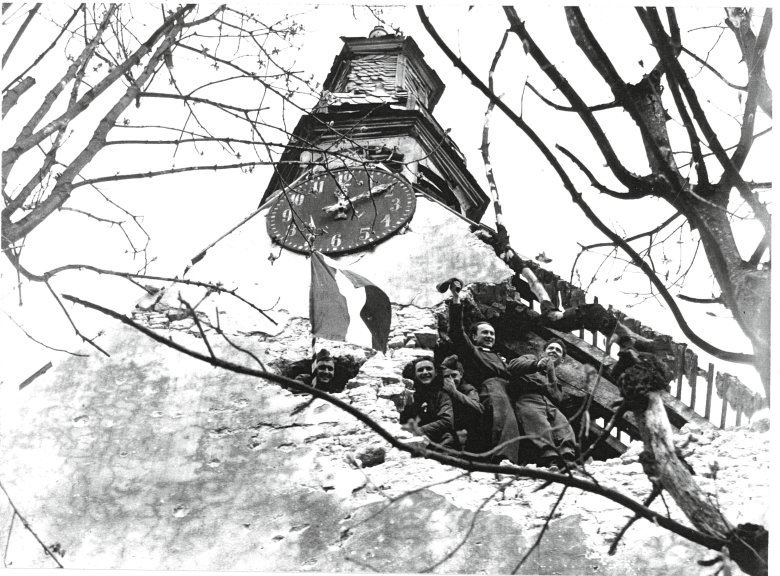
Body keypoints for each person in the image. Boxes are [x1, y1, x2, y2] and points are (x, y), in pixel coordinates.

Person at [446, 281, 521, 464]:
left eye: (492, 334)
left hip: (508, 393)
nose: (489, 336)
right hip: (492, 391)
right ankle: (502, 461)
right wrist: (456, 300)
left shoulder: (499, 357)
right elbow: (456, 332)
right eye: (485, 333)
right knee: (500, 423)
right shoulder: (473, 353)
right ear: (474, 337)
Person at [508, 338, 578, 471]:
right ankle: (550, 461)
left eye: (558, 350)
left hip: (549, 405)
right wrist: (537, 365)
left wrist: (551, 376)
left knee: (564, 426)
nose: (553, 351)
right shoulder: (530, 358)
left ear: (562, 360)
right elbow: (513, 365)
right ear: (543, 352)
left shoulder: (555, 380)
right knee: (539, 425)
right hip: (528, 398)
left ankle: (568, 460)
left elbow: (557, 398)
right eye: (551, 348)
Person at [399, 357, 457, 449]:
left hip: (438, 440)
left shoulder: (442, 395)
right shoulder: (410, 394)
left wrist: (419, 431)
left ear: (436, 373)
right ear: (415, 375)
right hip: (413, 439)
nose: (425, 372)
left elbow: (447, 421)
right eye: (420, 370)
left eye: (429, 369)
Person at [439, 354, 484, 453]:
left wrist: (454, 392)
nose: (451, 380)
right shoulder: (441, 391)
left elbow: (479, 408)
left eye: (454, 375)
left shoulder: (467, 389)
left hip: (468, 430)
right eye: (447, 376)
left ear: (461, 374)